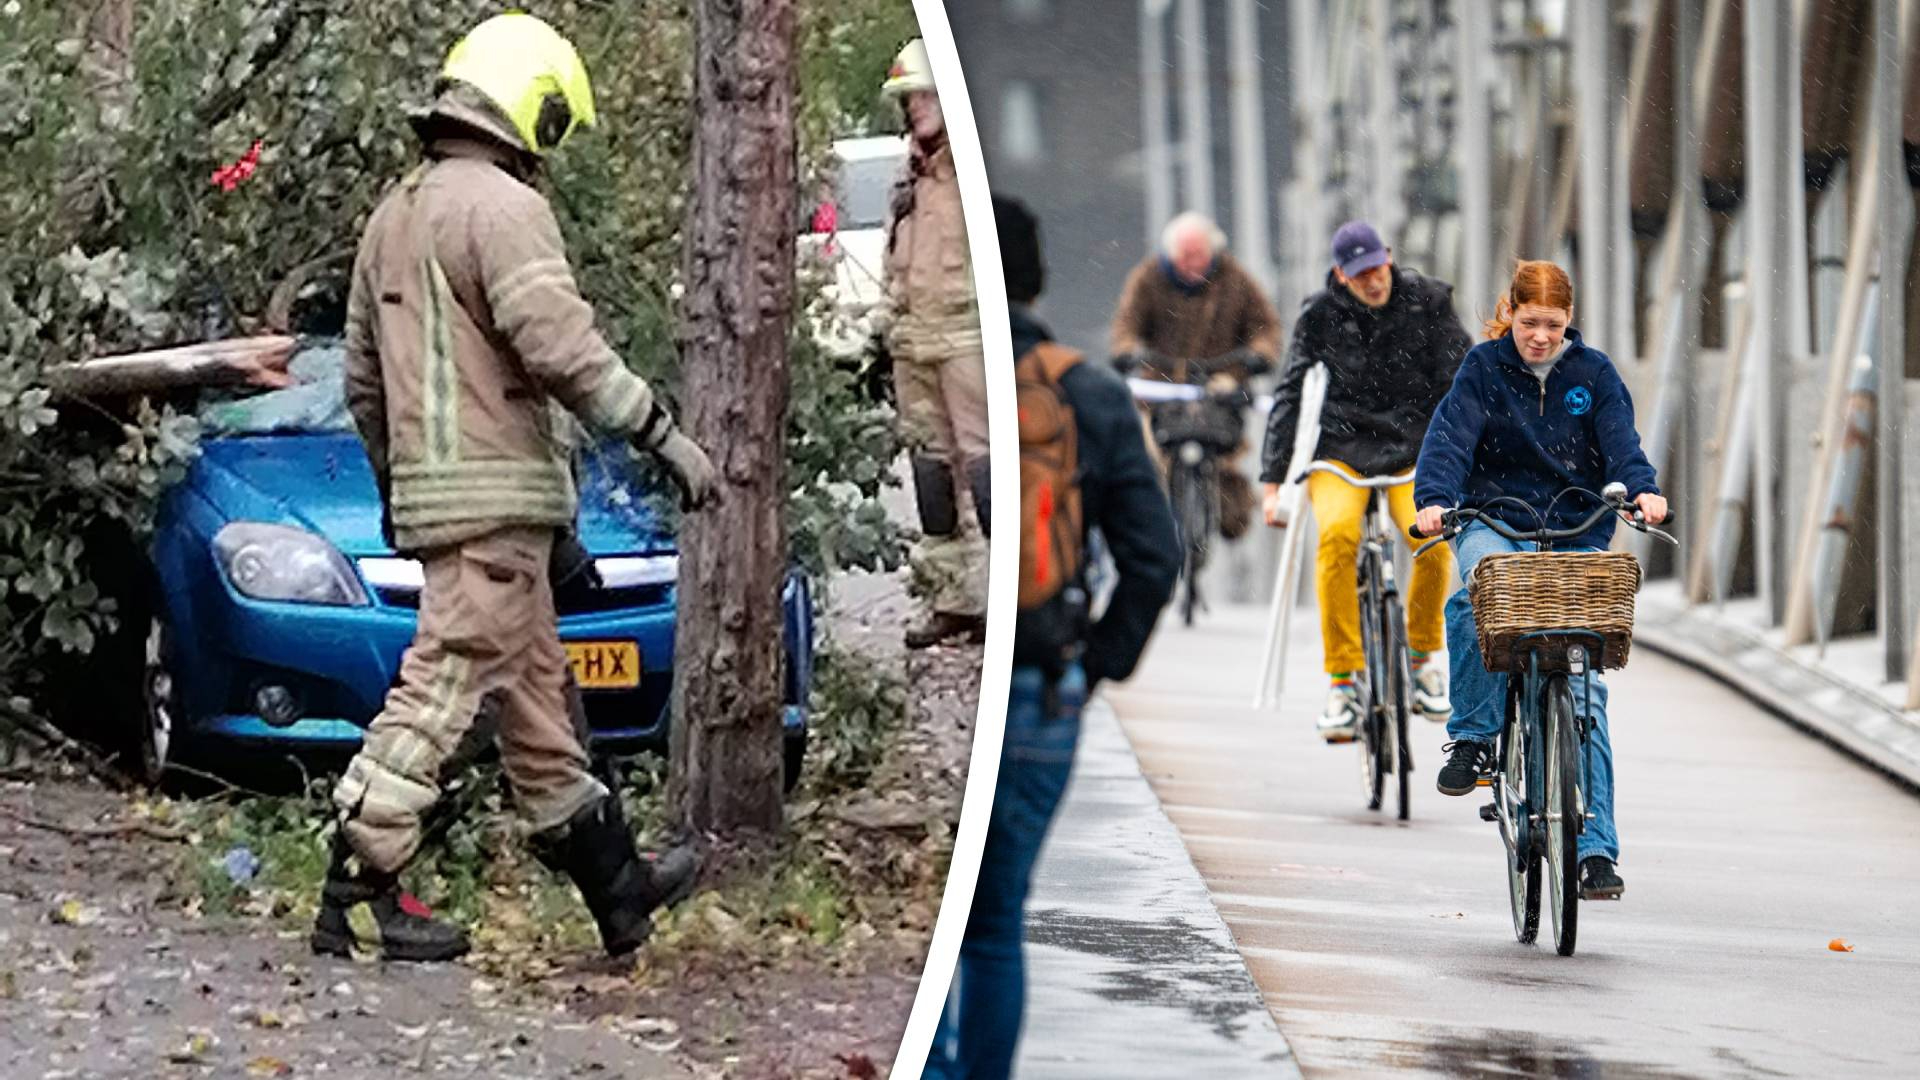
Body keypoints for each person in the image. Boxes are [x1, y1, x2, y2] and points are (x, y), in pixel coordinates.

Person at [319, 12, 716, 962]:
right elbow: (560, 347)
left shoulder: (394, 214)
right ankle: (357, 882)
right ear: (530, 107)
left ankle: (621, 894)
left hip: (455, 504)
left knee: (539, 712)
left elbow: (364, 384)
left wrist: (400, 491)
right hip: (497, 507)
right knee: (444, 690)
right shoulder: (501, 207)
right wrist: (666, 437)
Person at [923, 196, 1179, 1080]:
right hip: (1039, 694)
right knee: (993, 925)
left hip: (967, 685)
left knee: (942, 927)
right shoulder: (1087, 390)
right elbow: (1154, 559)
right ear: (1035, 276)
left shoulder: (952, 383)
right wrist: (1090, 665)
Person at [1414, 259, 1668, 901]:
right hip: (1493, 517)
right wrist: (1436, 499)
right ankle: (1472, 737)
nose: (1540, 337)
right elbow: (1449, 440)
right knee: (1477, 594)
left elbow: (1622, 445)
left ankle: (1595, 852)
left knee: (1585, 694)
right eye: (1530, 323)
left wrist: (1643, 492)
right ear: (1512, 313)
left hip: (1577, 522)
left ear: (1569, 321)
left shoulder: (1594, 375)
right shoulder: (1482, 369)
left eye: (1553, 325)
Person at [1260, 220, 1472, 741]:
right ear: (1340, 275)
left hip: (1412, 447)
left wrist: (1468, 455)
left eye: (1377, 268)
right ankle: (1343, 680)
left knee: (1432, 537)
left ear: (1390, 257)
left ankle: (1423, 657)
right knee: (1335, 537)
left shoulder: (1430, 302)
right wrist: (1273, 482)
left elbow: (1461, 381)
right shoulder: (1320, 315)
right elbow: (1290, 392)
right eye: (1359, 275)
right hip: (1341, 450)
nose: (1373, 281)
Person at [879, 38, 990, 649]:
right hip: (912, 344)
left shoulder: (968, 174)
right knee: (931, 479)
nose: (917, 105)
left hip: (966, 341)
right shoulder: (909, 175)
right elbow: (895, 259)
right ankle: (954, 601)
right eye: (910, 97)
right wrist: (882, 324)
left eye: (926, 93)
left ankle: (1006, 600)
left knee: (985, 470)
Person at [1110, 211, 1280, 540]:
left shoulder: (1236, 280)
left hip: (1220, 388)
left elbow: (1265, 328)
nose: (1192, 263)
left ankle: (1228, 505)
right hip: (1161, 389)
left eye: (1199, 255)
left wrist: (1257, 357)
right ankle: (1151, 517)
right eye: (1185, 256)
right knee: (1147, 460)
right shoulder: (1148, 279)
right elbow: (1126, 325)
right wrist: (1127, 350)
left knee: (1226, 461)